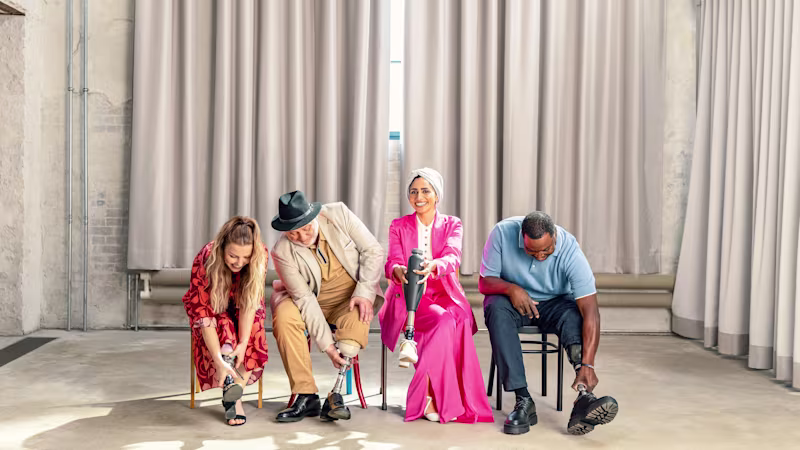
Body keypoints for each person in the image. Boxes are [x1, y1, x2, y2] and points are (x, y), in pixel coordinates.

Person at [480, 211, 619, 435]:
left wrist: (588, 364)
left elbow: (591, 311)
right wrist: (511, 288)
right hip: (513, 303)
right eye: (532, 251)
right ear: (521, 237)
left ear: (554, 236)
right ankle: (523, 400)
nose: (540, 256)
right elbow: (485, 282)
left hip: (555, 304)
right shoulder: (502, 233)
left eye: (547, 249)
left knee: (575, 315)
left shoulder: (570, 250)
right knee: (495, 308)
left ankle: (584, 397)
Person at [379, 168, 494, 424]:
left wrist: (435, 266)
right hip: (410, 296)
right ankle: (427, 395)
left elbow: (453, 256)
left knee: (461, 319)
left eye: (425, 191)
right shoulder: (398, 225)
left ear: (436, 195)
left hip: (444, 291)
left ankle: (459, 399)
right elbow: (392, 262)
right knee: (443, 322)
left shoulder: (453, 223)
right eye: (413, 191)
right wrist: (397, 270)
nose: (419, 196)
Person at [270, 190, 385, 423]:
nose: (302, 237)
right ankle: (306, 395)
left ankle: (336, 395)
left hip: (352, 297)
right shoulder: (281, 252)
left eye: (306, 229)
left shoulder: (338, 214)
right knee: (284, 316)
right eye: (293, 233)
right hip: (312, 300)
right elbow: (304, 299)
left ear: (315, 217)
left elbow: (373, 250)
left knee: (350, 343)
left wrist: (364, 292)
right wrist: (327, 347)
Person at [182, 216, 269, 426]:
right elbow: (203, 314)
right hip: (212, 310)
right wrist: (218, 361)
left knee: (254, 326)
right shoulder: (206, 257)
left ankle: (234, 395)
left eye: (245, 257)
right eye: (233, 256)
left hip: (244, 307)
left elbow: (250, 303)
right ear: (222, 248)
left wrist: (243, 343)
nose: (239, 263)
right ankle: (230, 385)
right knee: (223, 325)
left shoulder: (260, 255)